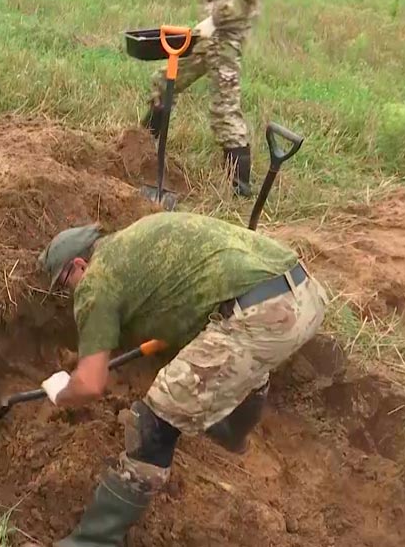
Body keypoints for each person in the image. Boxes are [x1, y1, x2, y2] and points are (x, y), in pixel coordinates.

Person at [33, 212, 328, 546]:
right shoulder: (139, 237)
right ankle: (230, 434)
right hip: (303, 294)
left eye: (64, 282)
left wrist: (62, 391)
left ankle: (92, 542)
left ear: (79, 265)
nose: (68, 291)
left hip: (262, 317)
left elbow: (89, 384)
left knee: (153, 422)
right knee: (241, 362)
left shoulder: (96, 281)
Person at [143, 0, 267, 197]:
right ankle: (141, 152)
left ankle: (239, 189)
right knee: (164, 81)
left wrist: (216, 19)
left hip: (225, 37)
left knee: (225, 108)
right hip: (210, 35)